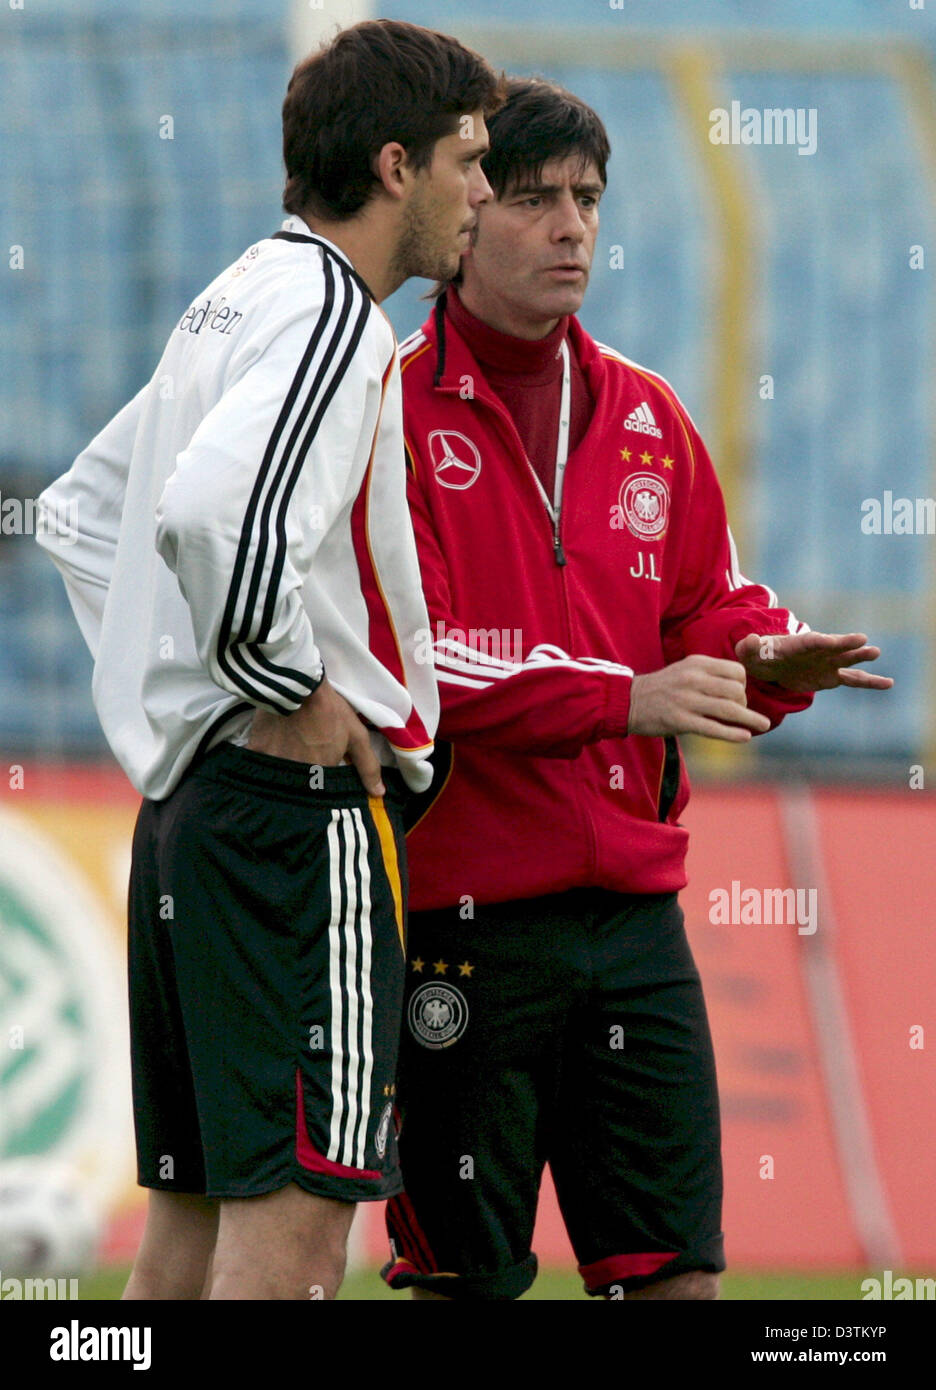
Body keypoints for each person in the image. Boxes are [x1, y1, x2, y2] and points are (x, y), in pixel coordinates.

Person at [382, 77, 893, 1302]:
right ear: (463, 217)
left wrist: (765, 658)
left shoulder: (650, 414)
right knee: (469, 1286)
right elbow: (420, 665)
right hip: (461, 930)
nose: (571, 228)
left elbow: (704, 604)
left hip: (636, 930)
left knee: (677, 1282)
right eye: (533, 198)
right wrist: (630, 697)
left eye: (589, 200)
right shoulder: (388, 412)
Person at [35, 20, 502, 1301]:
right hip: (295, 834)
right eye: (471, 160)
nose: (487, 191)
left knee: (182, 1241)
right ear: (398, 165)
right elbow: (198, 518)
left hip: (191, 818)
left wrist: (184, 693)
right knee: (297, 1237)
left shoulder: (236, 296)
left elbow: (84, 515)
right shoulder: (337, 322)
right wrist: (281, 685)